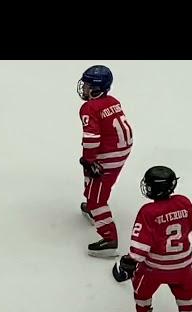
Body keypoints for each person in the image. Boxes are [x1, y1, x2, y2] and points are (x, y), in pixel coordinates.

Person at [112, 166, 192, 312]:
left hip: (154, 268)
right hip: (183, 266)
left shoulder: (148, 212)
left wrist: (129, 262)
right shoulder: (184, 202)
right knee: (185, 296)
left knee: (142, 290)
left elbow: (140, 246)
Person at [78, 65, 133, 257]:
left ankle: (110, 239)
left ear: (96, 88)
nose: (83, 88)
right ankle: (94, 209)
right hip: (120, 150)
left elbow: (92, 138)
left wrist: (89, 159)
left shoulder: (89, 107)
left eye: (87, 85)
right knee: (94, 182)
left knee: (97, 198)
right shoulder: (113, 101)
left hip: (108, 155)